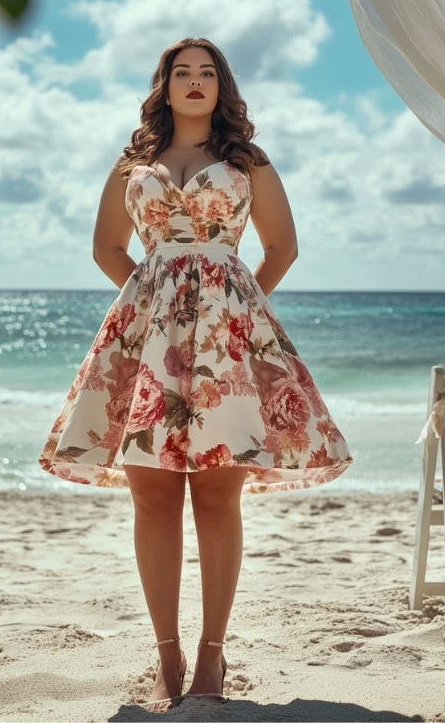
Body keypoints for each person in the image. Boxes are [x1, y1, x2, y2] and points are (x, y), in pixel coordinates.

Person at [38, 36, 354, 713]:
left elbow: (282, 247)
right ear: (164, 84)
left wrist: (234, 306)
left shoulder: (247, 161)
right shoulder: (134, 162)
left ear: (222, 86)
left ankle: (213, 654)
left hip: (226, 343)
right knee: (152, 498)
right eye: (181, 72)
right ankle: (167, 655)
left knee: (217, 498)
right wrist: (153, 299)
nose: (194, 81)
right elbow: (105, 248)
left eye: (207, 72)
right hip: (148, 341)